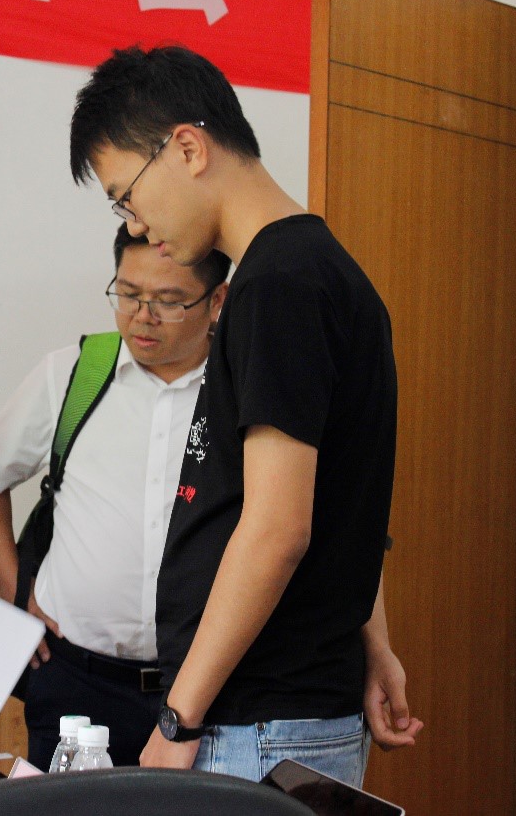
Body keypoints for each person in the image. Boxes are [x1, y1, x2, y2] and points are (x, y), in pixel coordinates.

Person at [68, 45, 424, 785]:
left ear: (187, 148)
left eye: (126, 196)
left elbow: (277, 529)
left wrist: (178, 716)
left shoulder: (277, 285)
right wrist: (374, 645)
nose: (138, 226)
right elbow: (339, 500)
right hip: (288, 707)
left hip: (256, 722)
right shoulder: (322, 270)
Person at [0, 224, 229, 768]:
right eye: (128, 294)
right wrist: (14, 591)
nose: (142, 316)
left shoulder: (242, 385)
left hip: (208, 689)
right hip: (76, 685)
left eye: (169, 301)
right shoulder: (73, 374)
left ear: (217, 300)